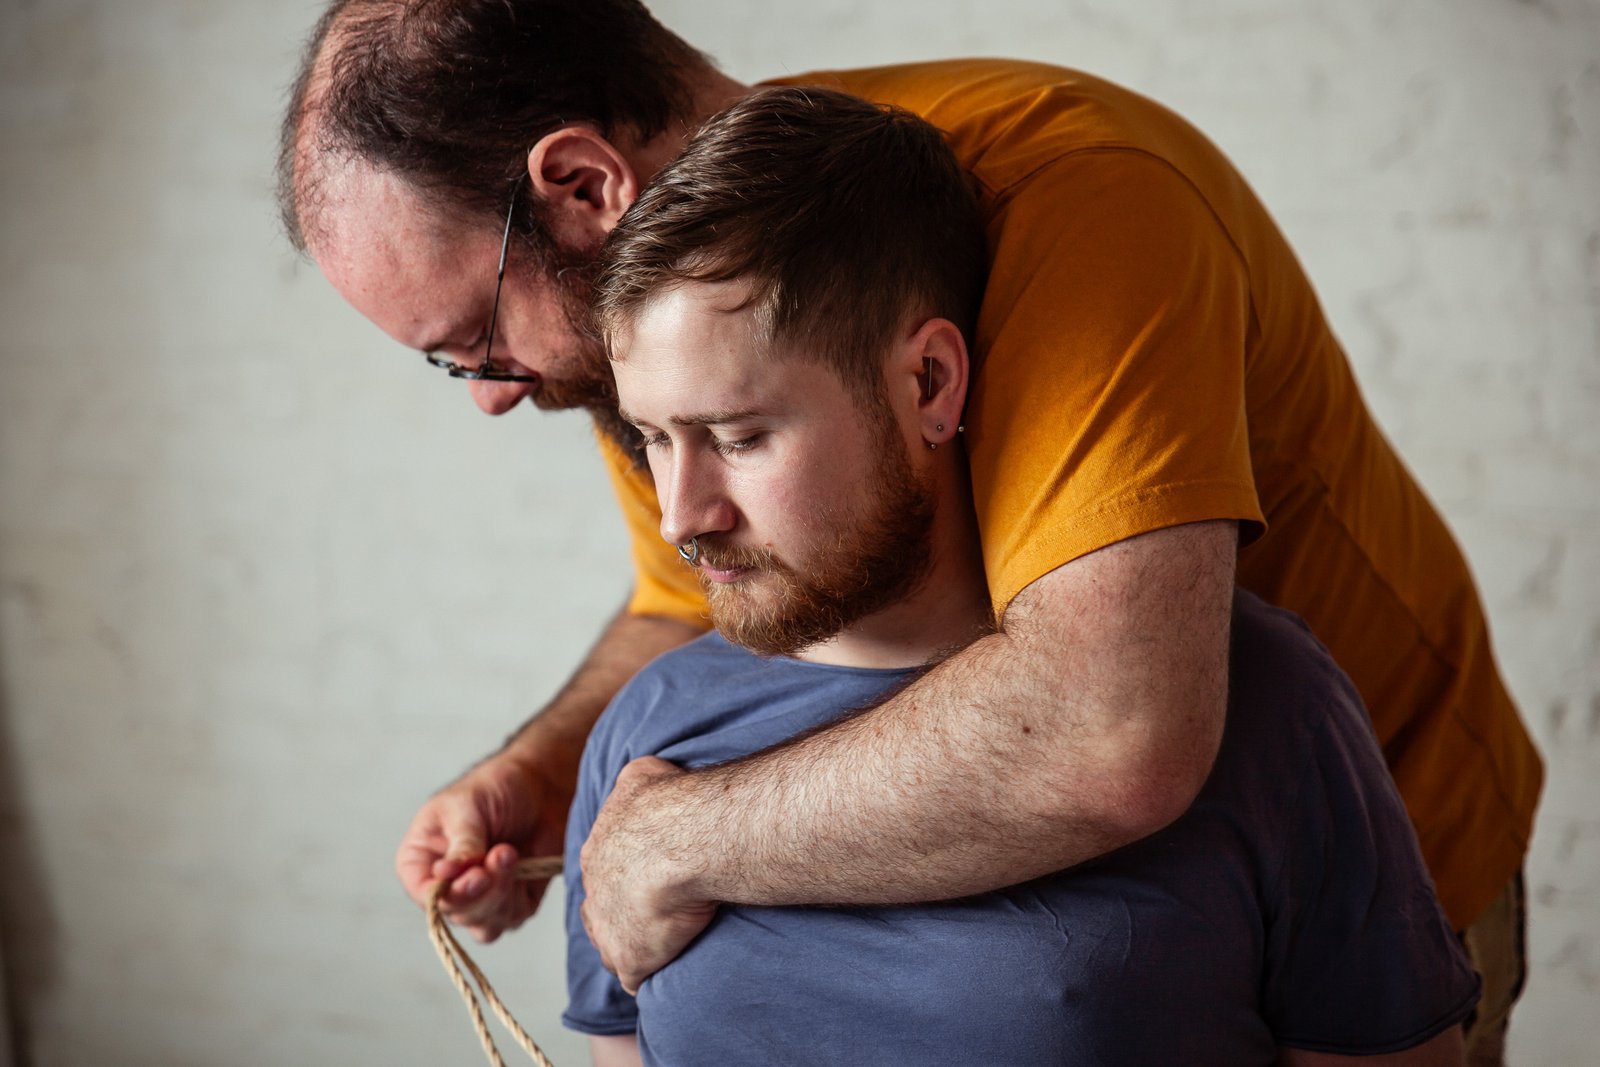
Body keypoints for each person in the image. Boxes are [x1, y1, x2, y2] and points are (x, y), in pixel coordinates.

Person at [277, 1, 1539, 1056]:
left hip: (1342, 881)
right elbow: (704, 593)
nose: (493, 394)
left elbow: (1112, 729)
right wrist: (549, 773)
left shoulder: (1082, 196)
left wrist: (672, 840)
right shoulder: (660, 322)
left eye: (472, 342)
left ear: (580, 187)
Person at [561, 85, 1478, 1067]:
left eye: (739, 436)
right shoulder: (645, 738)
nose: (680, 515)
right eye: (654, 438)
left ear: (929, 383)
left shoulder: (1261, 701)